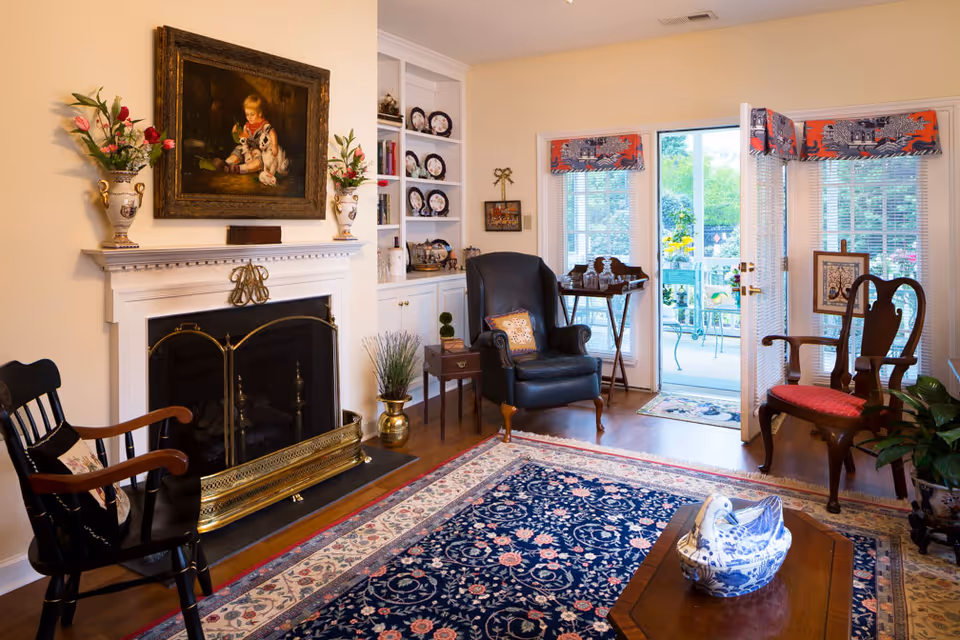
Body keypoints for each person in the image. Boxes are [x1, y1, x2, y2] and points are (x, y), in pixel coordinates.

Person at [216, 94, 288, 185]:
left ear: (260, 113)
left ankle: (239, 169)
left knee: (259, 163)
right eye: (247, 114)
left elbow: (272, 133)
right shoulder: (247, 126)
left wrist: (274, 145)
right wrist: (237, 133)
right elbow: (244, 138)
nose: (249, 117)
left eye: (252, 114)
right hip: (248, 150)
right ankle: (227, 163)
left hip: (260, 153)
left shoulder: (264, 125)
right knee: (239, 149)